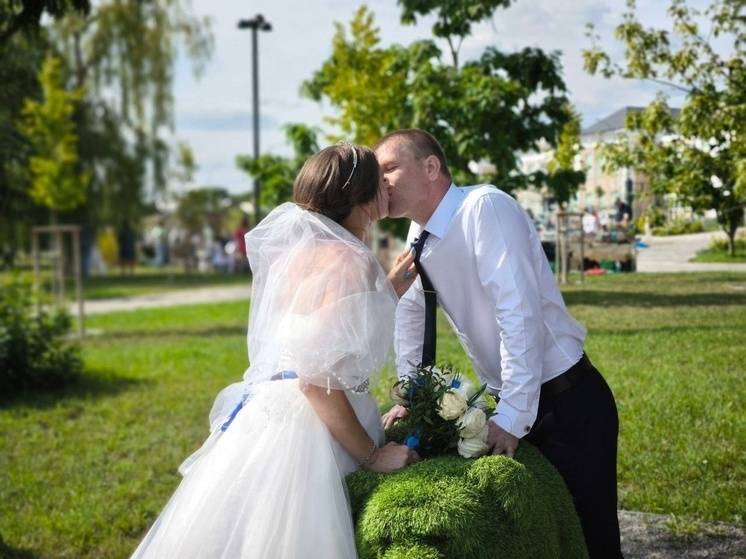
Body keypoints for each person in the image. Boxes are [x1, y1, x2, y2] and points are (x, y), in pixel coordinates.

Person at [130, 144, 420, 559]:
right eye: (379, 183)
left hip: (265, 415)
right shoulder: (351, 260)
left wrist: (385, 294)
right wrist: (373, 455)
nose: (386, 191)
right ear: (360, 199)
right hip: (313, 433)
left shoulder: (301, 256)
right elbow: (317, 382)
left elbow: (321, 328)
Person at [376, 129, 622, 559]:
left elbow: (518, 313)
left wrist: (511, 415)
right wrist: (412, 393)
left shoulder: (484, 208)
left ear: (431, 167)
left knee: (590, 540)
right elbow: (412, 313)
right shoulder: (419, 231)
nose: (381, 183)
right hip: (512, 405)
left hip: (564, 404)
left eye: (390, 169)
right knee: (538, 541)